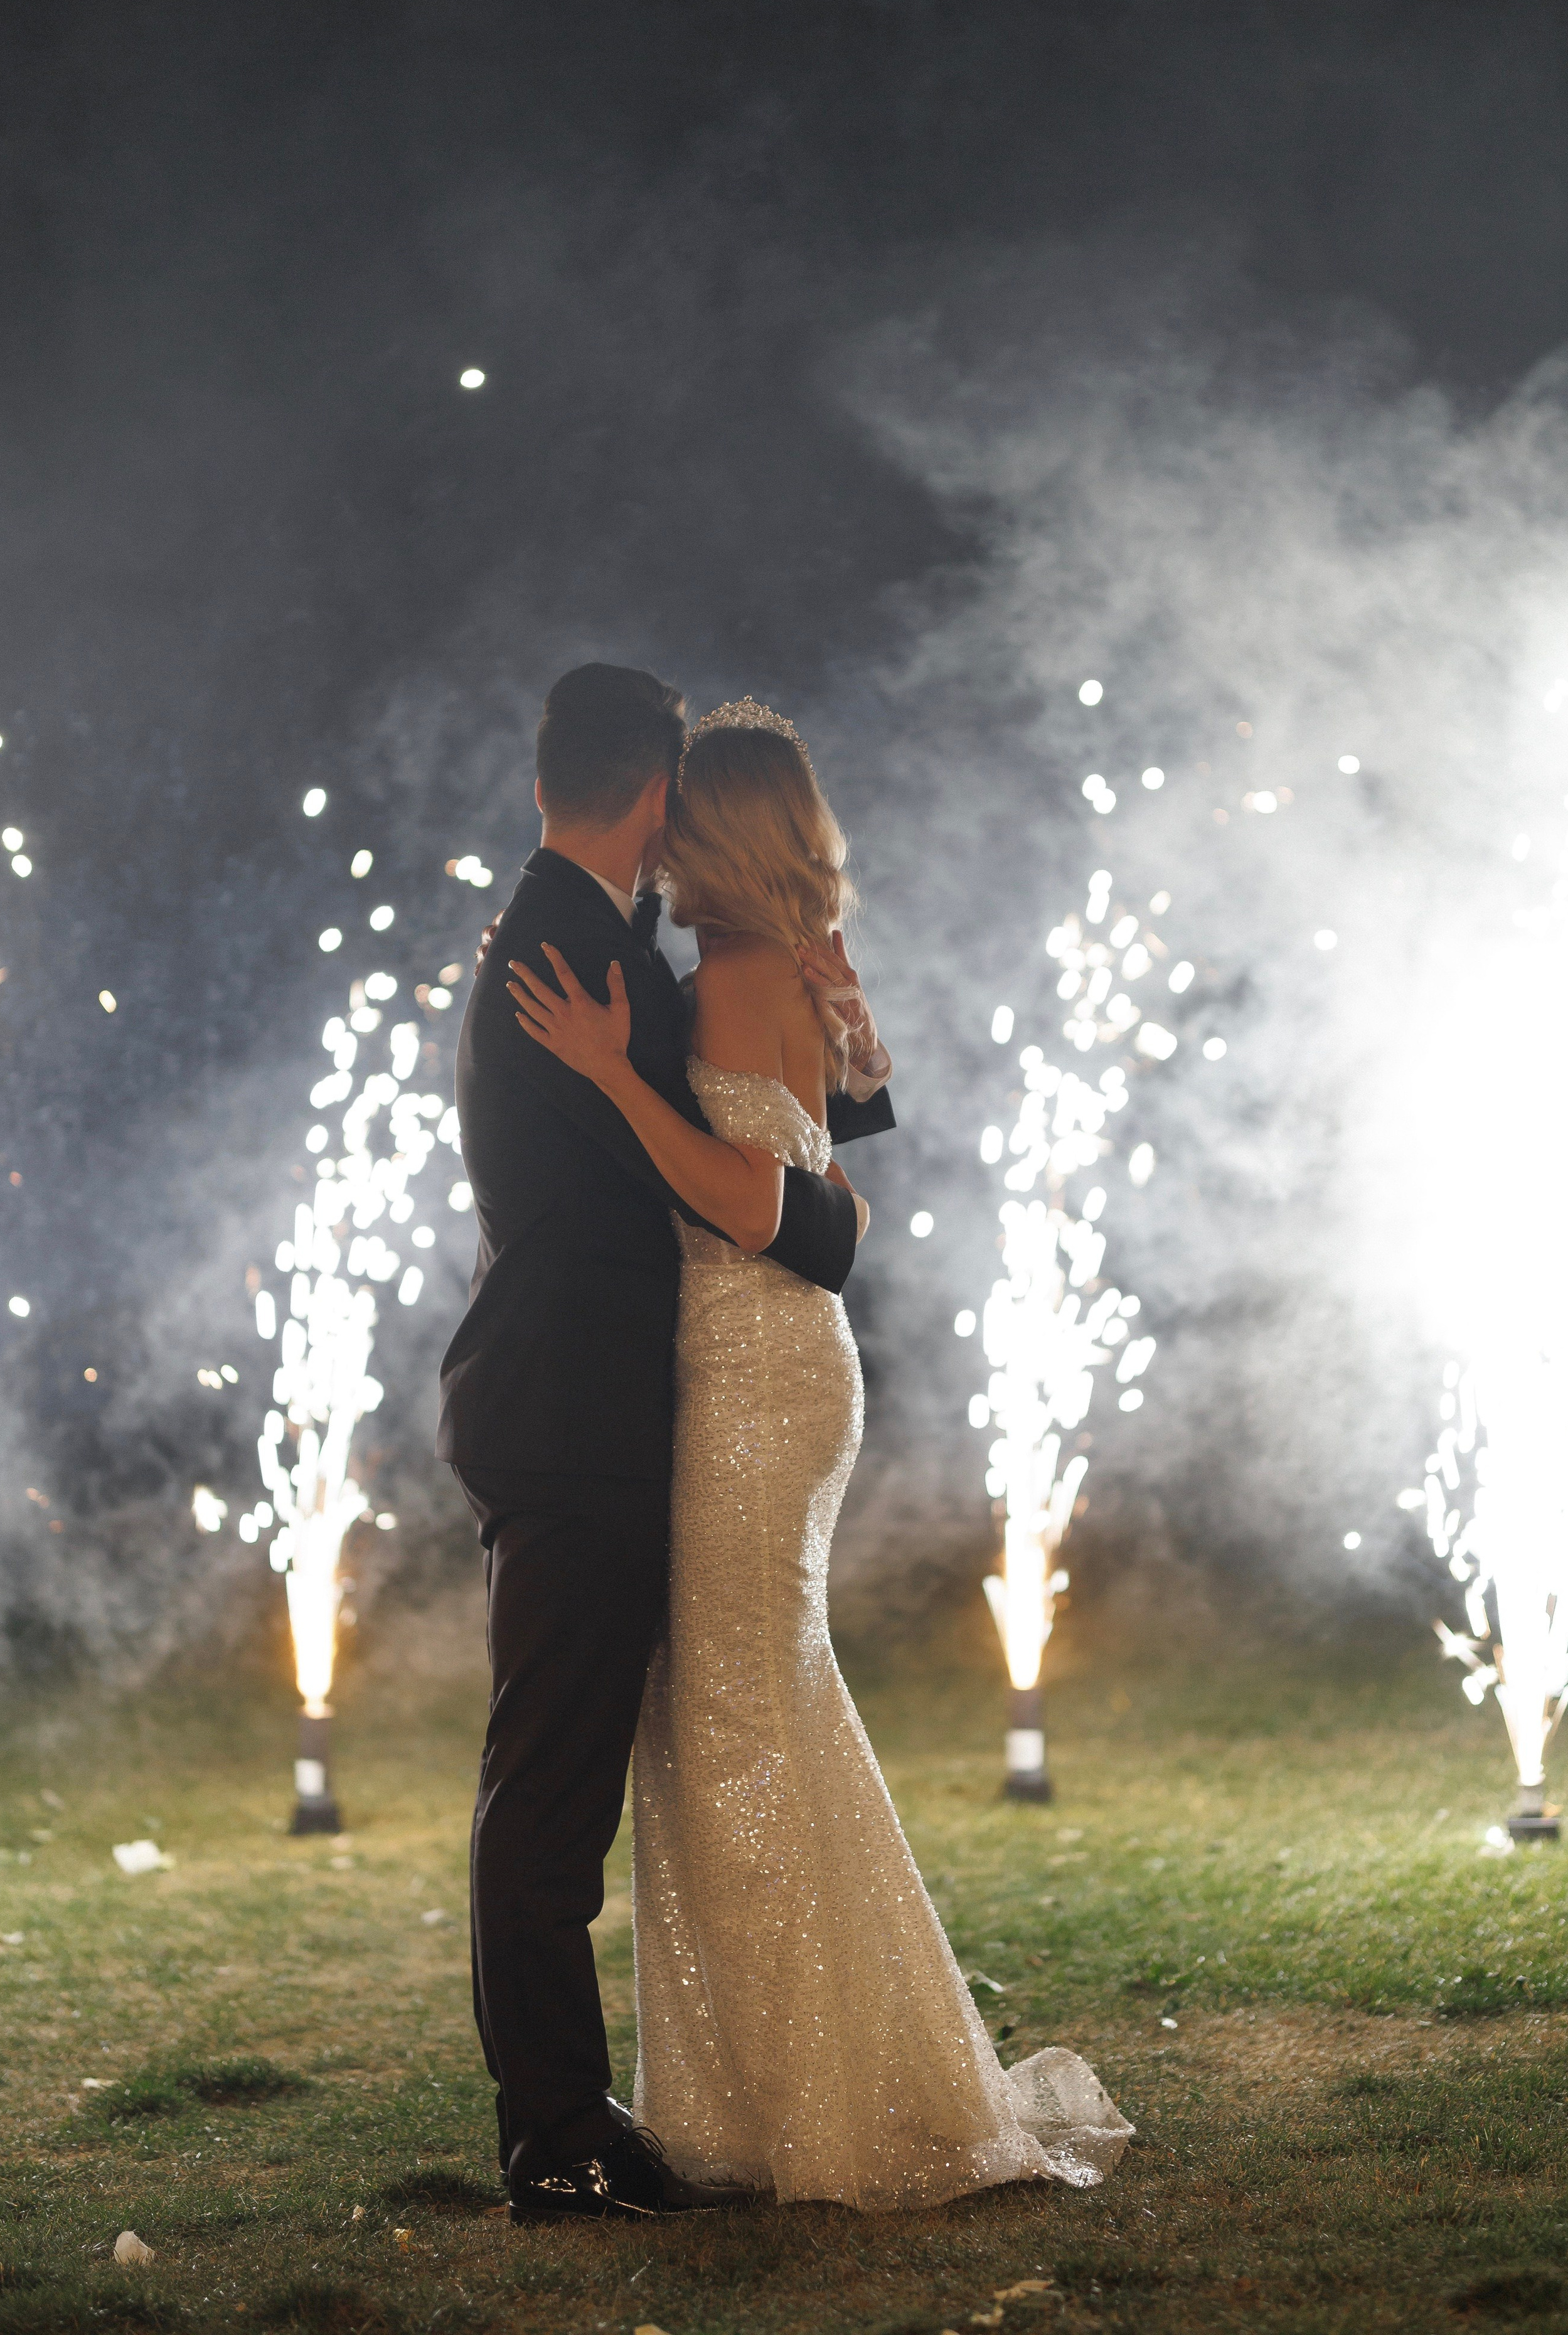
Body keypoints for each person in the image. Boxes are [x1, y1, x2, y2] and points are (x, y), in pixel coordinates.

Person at [507, 698, 1132, 2211]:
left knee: (726, 1727)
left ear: (705, 827)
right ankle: (811, 2082)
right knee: (764, 1710)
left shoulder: (729, 975)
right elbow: (832, 1174)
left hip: (745, 1379)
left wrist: (608, 1082)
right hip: (788, 1373)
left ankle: (809, 2110)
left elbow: (745, 1199)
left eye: (674, 824)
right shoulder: (782, 963)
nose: (655, 851)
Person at [438, 664, 895, 2224]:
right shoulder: (571, 961)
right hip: (579, 1416)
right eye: (673, 819)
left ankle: (647, 2110)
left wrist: (825, 1033)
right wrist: (827, 1191)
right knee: (567, 1784)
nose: (674, 848)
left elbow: (775, 1153)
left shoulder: (604, 947)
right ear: (650, 803)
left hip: (688, 1394)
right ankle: (561, 2134)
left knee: (705, 1741)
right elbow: (763, 1190)